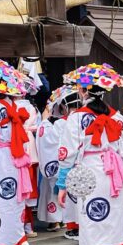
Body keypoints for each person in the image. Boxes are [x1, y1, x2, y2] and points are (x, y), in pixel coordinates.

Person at [56, 63, 123, 245]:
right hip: (113, 174)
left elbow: (67, 153)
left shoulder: (77, 118)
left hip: (90, 175)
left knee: (94, 224)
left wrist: (62, 184)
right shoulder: (117, 117)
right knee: (109, 223)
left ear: (84, 90)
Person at [0, 59, 40, 245]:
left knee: (2, 211)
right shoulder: (13, 106)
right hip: (15, 160)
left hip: (1, 161)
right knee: (12, 205)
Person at [36, 86, 79, 232]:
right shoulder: (83, 118)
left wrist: (44, 121)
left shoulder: (62, 123)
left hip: (64, 163)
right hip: (81, 163)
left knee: (55, 187)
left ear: (63, 105)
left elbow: (50, 140)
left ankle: (55, 220)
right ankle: (70, 222)